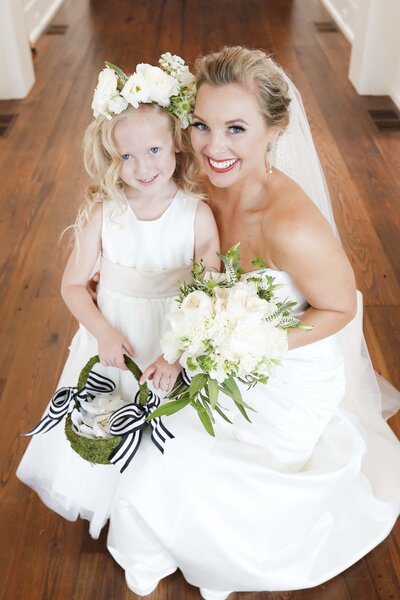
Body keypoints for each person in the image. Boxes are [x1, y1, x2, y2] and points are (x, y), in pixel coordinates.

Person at [106, 47, 400, 599]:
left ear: (274, 130)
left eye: (236, 128)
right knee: (151, 448)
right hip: (218, 348)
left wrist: (258, 343)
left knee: (177, 468)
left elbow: (340, 307)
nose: (215, 147)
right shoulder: (196, 179)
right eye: (202, 125)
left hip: (284, 367)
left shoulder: (290, 226)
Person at [16, 55, 220, 539]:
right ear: (111, 159)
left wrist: (173, 355)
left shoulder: (196, 215)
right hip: (114, 341)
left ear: (175, 146)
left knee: (165, 423)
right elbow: (71, 284)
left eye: (153, 150)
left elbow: (208, 293)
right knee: (111, 414)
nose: (142, 167)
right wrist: (103, 331)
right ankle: (111, 502)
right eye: (126, 157)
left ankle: (155, 512)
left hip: (169, 339)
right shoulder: (104, 213)